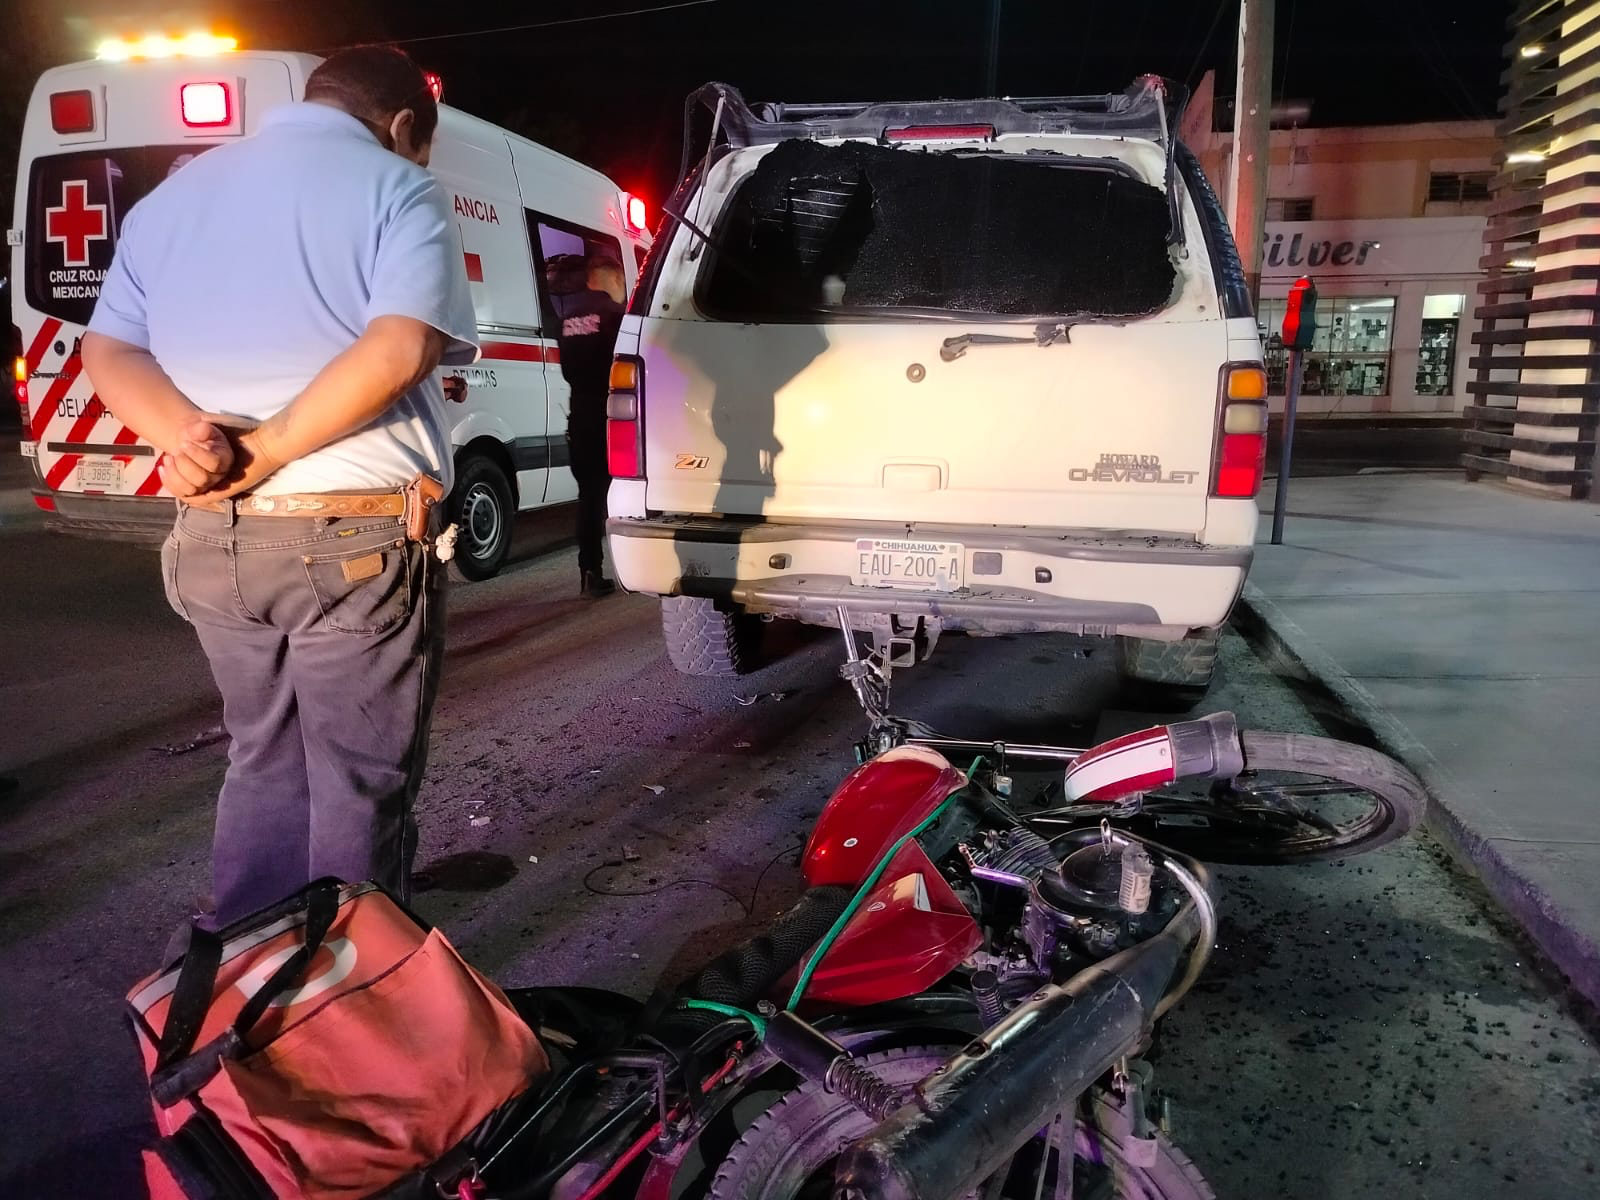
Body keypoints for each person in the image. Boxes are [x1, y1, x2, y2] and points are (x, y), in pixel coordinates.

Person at [81, 46, 478, 927]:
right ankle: (346, 1016)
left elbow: (107, 348)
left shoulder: (175, 196)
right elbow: (401, 347)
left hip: (212, 541)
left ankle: (245, 997)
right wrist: (261, 450)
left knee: (261, 759)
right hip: (349, 542)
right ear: (408, 125)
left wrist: (189, 443)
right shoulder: (397, 187)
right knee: (357, 785)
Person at [547, 247, 625, 597]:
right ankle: (632, 571)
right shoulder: (614, 315)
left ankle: (590, 572)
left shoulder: (568, 319)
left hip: (580, 415)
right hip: (615, 415)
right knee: (625, 495)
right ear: (608, 275)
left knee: (589, 497)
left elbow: (566, 370)